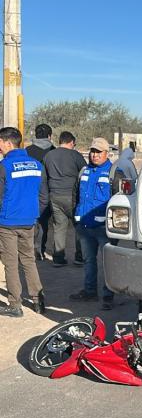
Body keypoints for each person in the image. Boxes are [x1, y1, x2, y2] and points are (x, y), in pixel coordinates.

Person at [0, 127, 48, 317]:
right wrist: (34, 213)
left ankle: (15, 304)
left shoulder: (4, 166)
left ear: (8, 142)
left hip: (7, 222)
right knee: (29, 260)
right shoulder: (36, 165)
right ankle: (38, 299)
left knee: (11, 263)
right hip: (29, 220)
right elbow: (44, 196)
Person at [70, 137, 115, 310]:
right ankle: (90, 292)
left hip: (104, 228)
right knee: (89, 261)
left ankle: (108, 296)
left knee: (108, 264)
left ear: (106, 153)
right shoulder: (84, 171)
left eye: (98, 152)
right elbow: (76, 195)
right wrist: (75, 217)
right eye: (92, 151)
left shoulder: (113, 173)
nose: (94, 155)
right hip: (85, 226)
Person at [43, 131, 86, 266]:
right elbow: (84, 173)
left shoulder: (49, 155)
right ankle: (79, 257)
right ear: (71, 142)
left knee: (59, 227)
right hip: (72, 196)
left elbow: (44, 176)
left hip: (54, 195)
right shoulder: (75, 155)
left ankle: (58, 258)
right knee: (79, 227)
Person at [26, 123, 55, 261]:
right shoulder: (53, 150)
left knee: (28, 222)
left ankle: (27, 249)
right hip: (46, 191)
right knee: (43, 222)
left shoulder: (27, 150)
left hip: (28, 190)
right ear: (50, 136)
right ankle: (40, 249)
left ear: (35, 135)